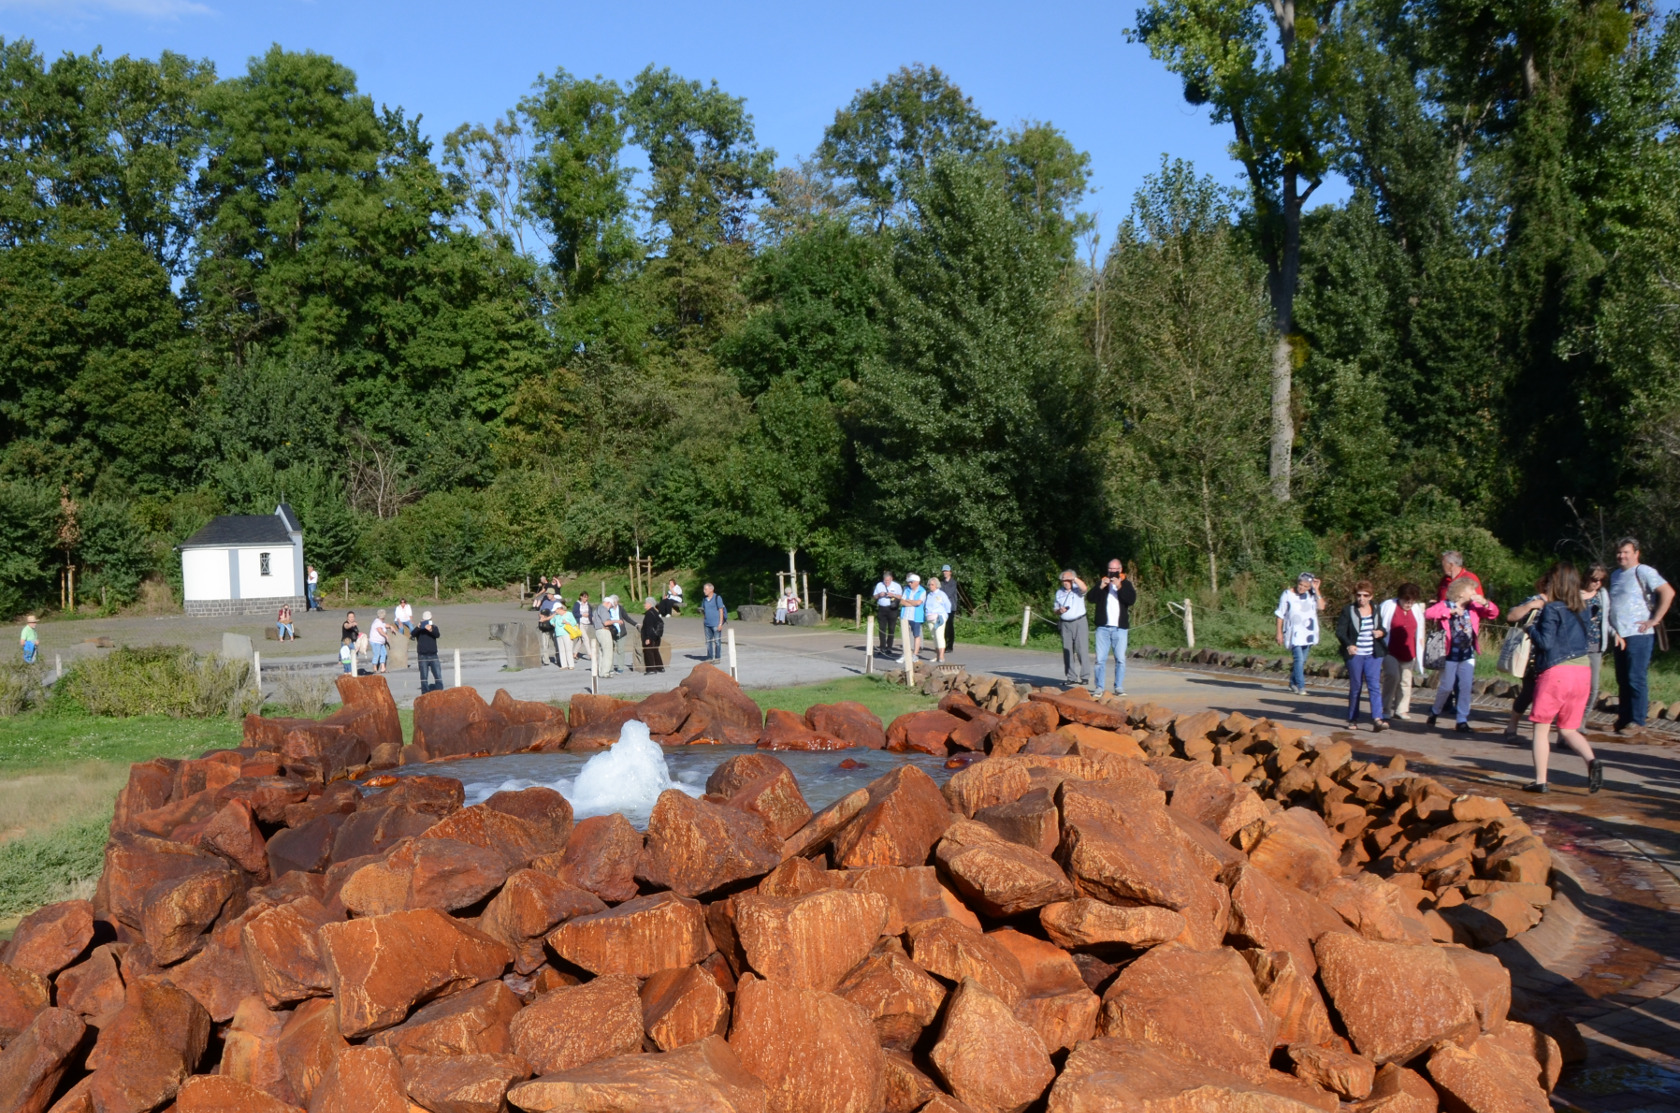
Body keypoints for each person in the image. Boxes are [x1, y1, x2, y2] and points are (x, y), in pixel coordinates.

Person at [1523, 561, 1605, 793]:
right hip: (1583, 673)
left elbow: (1546, 643)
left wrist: (1529, 628)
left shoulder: (1552, 608)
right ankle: (1592, 761)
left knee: (1541, 728)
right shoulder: (1583, 608)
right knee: (1569, 729)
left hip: (1556, 673)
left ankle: (1540, 781)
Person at [1609, 537, 1673, 734]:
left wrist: (1655, 619)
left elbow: (1668, 592)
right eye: (1619, 552)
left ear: (1636, 553)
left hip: (1639, 634)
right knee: (1622, 677)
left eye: (1626, 552)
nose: (1621, 556)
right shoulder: (1615, 575)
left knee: (1635, 677)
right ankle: (1625, 718)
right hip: (1620, 635)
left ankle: (1637, 722)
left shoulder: (1643, 571)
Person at [1424, 578, 1499, 732]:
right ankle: (1435, 711)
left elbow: (1493, 613)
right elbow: (1428, 613)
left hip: (1467, 654)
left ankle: (1462, 720)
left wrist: (1485, 602)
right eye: (1471, 590)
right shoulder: (1445, 605)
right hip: (1449, 653)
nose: (1474, 593)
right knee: (1446, 686)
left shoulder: (1474, 607)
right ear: (1461, 593)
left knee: (1465, 686)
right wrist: (1449, 612)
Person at [1336, 581, 1390, 732]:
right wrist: (1349, 644)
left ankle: (1377, 718)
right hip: (1356, 654)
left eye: (1365, 595)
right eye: (1359, 595)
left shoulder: (1377, 609)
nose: (1362, 598)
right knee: (1356, 687)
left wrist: (1381, 633)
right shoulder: (1349, 610)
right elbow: (1340, 631)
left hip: (1373, 653)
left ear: (1371, 596)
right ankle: (1352, 719)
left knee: (1374, 685)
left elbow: (1382, 628)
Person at [1501, 578, 1549, 739]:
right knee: (1528, 693)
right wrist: (1530, 606)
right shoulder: (1535, 599)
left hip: (1554, 657)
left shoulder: (1565, 603)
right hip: (1532, 656)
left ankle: (1558, 736)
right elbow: (1511, 616)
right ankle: (1511, 727)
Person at [1088, 559, 1138, 697]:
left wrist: (1119, 586)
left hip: (1120, 628)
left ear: (1120, 570)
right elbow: (1090, 598)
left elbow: (1131, 600)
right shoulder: (1102, 583)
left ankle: (1119, 686)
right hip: (1103, 627)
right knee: (1100, 659)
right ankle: (1099, 687)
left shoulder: (1126, 584)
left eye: (1115, 570)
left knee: (1120, 659)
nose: (1112, 572)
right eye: (1110, 569)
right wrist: (1100, 586)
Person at [1378, 584, 1424, 719]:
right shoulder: (1388, 606)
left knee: (1405, 680)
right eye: (1406, 601)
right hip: (1389, 649)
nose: (1409, 604)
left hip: (1408, 651)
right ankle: (1385, 708)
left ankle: (1401, 709)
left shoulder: (1416, 609)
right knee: (1392, 676)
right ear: (1400, 598)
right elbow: (1380, 623)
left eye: (1412, 601)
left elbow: (1420, 630)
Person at [1274, 573, 1324, 695]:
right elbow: (1280, 614)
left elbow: (1321, 607)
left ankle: (1292, 683)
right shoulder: (1287, 594)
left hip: (1308, 632)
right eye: (1300, 584)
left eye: (1306, 586)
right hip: (1294, 633)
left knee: (1302, 661)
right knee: (1299, 659)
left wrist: (1316, 590)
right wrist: (1279, 632)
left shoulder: (1311, 595)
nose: (1302, 588)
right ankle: (1301, 686)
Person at [1581, 563, 1613, 713]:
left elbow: (1605, 620)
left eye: (1601, 580)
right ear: (1586, 577)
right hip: (1576, 646)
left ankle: (1582, 720)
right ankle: (1566, 718)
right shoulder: (1574, 594)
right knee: (1575, 685)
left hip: (1595, 646)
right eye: (1594, 579)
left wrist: (1615, 634)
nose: (1597, 583)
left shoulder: (1602, 595)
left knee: (1593, 687)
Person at [1054, 569, 1089, 687]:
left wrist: (1074, 578)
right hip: (1065, 623)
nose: (1065, 582)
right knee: (1067, 650)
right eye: (1063, 580)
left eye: (1067, 580)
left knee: (1081, 649)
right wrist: (1059, 611)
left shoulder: (1077, 589)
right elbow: (1055, 609)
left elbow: (1085, 588)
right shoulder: (1059, 592)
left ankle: (1085, 676)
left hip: (1079, 621)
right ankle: (1071, 676)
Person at [923, 574, 952, 665]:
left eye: (932, 585)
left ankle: (942, 656)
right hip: (930, 617)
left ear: (936, 585)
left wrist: (944, 615)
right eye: (929, 585)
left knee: (939, 636)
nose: (930, 586)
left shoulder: (941, 594)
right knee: (934, 637)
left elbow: (948, 605)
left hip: (939, 617)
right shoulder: (929, 595)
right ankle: (937, 655)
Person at [872, 571, 903, 657]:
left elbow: (901, 597)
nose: (886, 583)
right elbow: (874, 596)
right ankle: (882, 647)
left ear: (891, 579)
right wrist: (879, 594)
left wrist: (893, 595)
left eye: (888, 581)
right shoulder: (879, 585)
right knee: (882, 628)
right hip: (882, 608)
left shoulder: (896, 586)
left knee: (891, 628)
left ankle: (889, 647)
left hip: (892, 608)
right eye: (885, 581)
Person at [411, 611, 442, 693]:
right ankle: (425, 693)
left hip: (433, 655)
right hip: (422, 655)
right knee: (424, 677)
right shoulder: (419, 629)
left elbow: (437, 635)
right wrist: (418, 627)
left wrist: (430, 629)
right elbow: (412, 634)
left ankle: (439, 691)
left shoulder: (434, 627)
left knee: (438, 675)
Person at [902, 574, 928, 661]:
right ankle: (906, 654)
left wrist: (909, 601)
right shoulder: (906, 590)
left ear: (917, 582)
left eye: (911, 582)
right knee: (906, 635)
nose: (910, 583)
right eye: (909, 582)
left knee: (916, 635)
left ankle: (915, 654)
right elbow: (902, 602)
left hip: (916, 616)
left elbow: (918, 603)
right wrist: (912, 602)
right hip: (906, 615)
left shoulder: (922, 591)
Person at [640, 597, 667, 673]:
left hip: (650, 636)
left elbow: (649, 627)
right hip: (656, 636)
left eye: (645, 603)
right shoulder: (655, 612)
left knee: (649, 652)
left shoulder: (649, 614)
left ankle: (651, 669)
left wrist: (648, 638)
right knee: (655, 651)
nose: (644, 605)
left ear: (649, 604)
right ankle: (660, 667)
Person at [702, 583, 728, 661]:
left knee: (717, 641)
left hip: (716, 624)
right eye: (704, 589)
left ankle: (717, 657)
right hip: (707, 624)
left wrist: (720, 623)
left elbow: (721, 610)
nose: (704, 591)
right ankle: (710, 657)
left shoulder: (717, 598)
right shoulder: (704, 599)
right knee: (708, 641)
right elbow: (703, 609)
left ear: (711, 589)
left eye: (705, 589)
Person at [938, 565, 958, 653]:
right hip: (942, 607)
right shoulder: (941, 582)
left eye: (946, 571)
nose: (945, 572)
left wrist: (941, 596)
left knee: (950, 626)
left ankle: (950, 646)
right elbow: (938, 592)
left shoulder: (953, 582)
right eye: (943, 571)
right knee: (943, 626)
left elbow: (948, 594)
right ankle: (943, 645)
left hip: (950, 607)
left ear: (950, 572)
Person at [368, 610, 390, 674]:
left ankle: (383, 668)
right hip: (375, 641)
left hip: (381, 642)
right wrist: (386, 635)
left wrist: (390, 626)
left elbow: (385, 625)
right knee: (376, 654)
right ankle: (375, 668)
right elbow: (380, 630)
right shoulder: (377, 622)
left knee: (384, 653)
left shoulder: (380, 622)